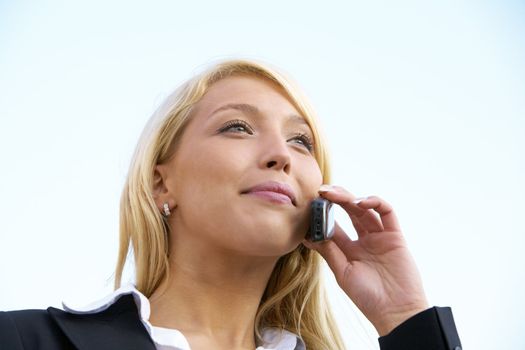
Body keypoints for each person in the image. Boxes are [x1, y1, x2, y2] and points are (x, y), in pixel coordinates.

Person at [0, 59, 462, 350]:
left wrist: (405, 319)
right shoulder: (23, 340)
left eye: (301, 141)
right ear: (162, 185)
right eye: (237, 127)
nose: (281, 154)